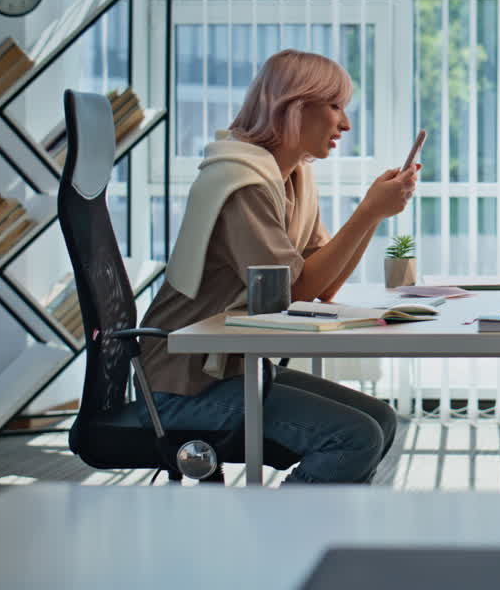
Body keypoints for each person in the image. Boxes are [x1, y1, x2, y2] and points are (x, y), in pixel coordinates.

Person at [136, 49, 417, 484]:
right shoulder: (241, 183)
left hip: (229, 367)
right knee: (355, 437)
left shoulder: (292, 178)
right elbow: (294, 293)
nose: (345, 124)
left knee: (379, 419)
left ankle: (314, 538)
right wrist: (366, 213)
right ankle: (278, 544)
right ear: (295, 108)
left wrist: (375, 215)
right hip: (181, 384)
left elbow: (323, 286)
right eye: (336, 107)